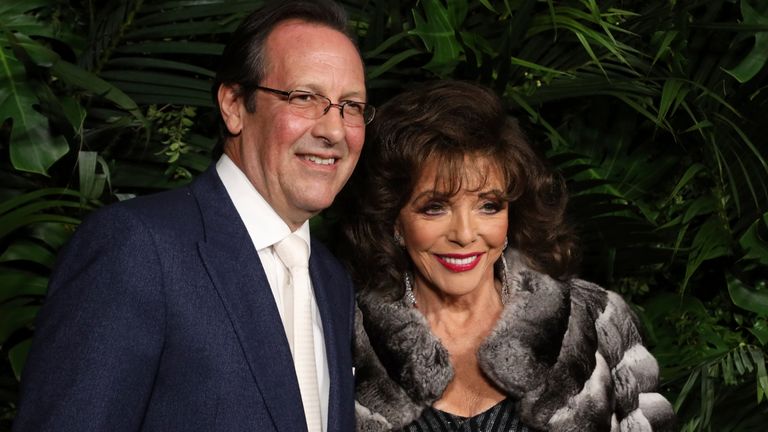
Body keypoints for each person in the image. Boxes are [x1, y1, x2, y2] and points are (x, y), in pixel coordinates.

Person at [13, 1, 373, 431]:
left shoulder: (332, 281)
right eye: (304, 97)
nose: (334, 130)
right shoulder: (137, 248)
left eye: (350, 106)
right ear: (235, 105)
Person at [344, 81, 675, 431]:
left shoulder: (593, 323)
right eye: (435, 207)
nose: (465, 234)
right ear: (395, 220)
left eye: (488, 206)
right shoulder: (348, 336)